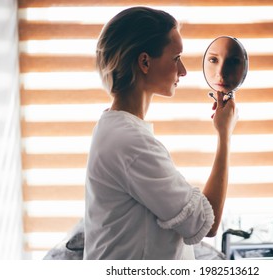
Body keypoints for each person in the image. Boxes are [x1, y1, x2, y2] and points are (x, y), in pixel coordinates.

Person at [84, 6, 239, 260]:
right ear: (145, 62)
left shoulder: (115, 128)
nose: (183, 71)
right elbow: (205, 223)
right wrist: (225, 135)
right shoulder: (130, 142)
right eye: (176, 58)